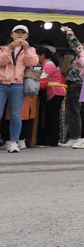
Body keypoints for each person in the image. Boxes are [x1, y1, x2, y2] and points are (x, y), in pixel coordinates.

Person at [0, 25, 38, 153]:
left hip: (18, 84)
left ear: (27, 36)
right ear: (11, 35)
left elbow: (32, 63)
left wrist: (26, 49)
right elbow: (1, 62)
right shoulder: (2, 48)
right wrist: (9, 49)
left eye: (23, 33)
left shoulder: (31, 50)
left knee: (16, 115)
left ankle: (14, 142)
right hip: (2, 84)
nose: (20, 35)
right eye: (17, 32)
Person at [37, 46, 67, 147]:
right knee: (51, 117)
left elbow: (42, 79)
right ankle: (50, 139)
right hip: (56, 92)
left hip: (55, 92)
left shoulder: (48, 65)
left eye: (38, 56)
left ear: (43, 56)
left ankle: (52, 140)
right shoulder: (49, 64)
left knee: (52, 117)